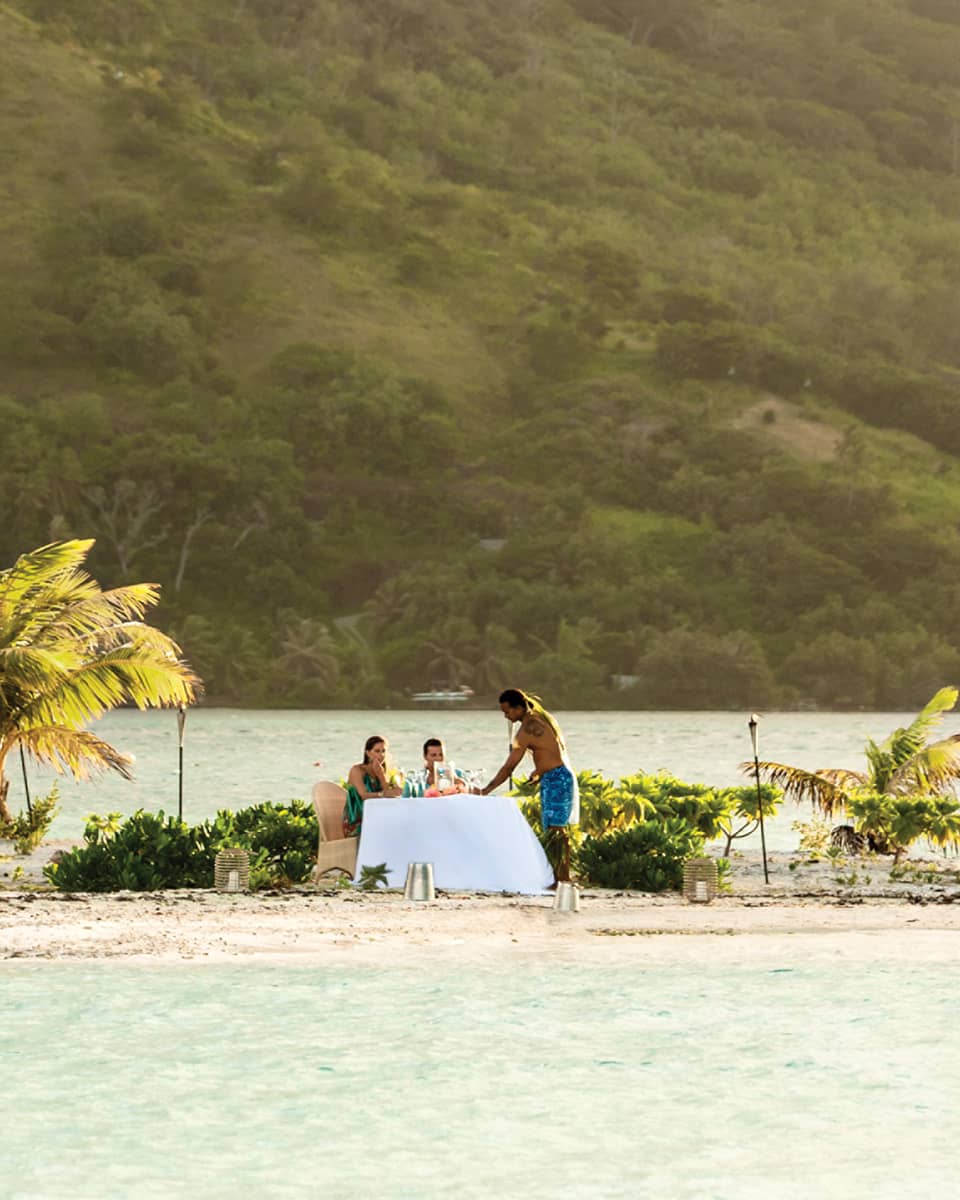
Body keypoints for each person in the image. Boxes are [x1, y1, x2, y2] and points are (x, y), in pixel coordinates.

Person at [480, 688, 578, 882]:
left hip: (557, 778)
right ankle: (560, 877)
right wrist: (539, 771)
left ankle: (563, 879)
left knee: (556, 830)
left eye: (507, 712)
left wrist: (486, 790)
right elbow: (551, 750)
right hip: (556, 776)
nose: (507, 717)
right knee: (556, 830)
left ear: (518, 708)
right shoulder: (541, 718)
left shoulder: (527, 728)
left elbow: (509, 767)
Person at [343, 735, 403, 837]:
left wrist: (381, 776)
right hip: (357, 820)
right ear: (368, 753)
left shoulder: (385, 772)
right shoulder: (357, 770)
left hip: (378, 817)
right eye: (377, 751)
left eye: (383, 751)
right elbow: (364, 795)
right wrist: (383, 794)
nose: (381, 755)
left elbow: (392, 794)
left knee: (400, 825)